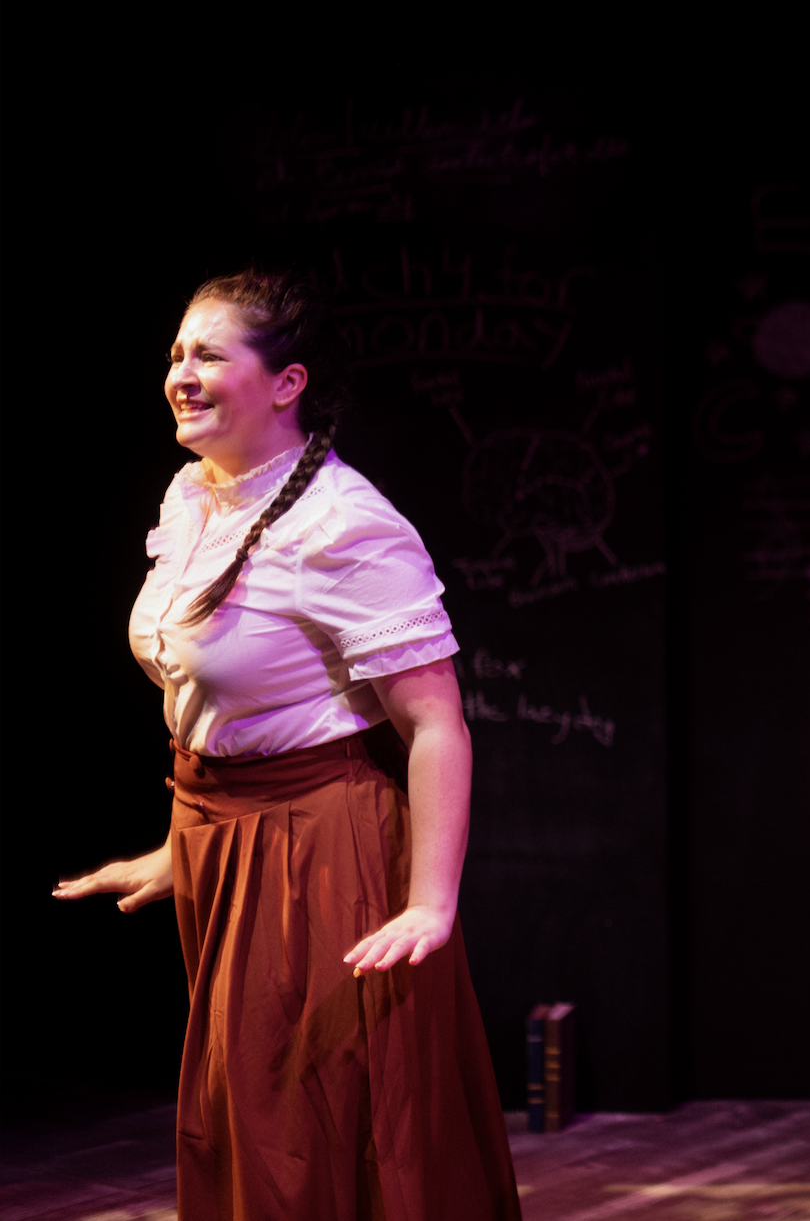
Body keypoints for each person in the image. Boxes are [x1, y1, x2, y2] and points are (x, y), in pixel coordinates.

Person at [54, 269, 521, 1220]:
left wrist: (430, 903)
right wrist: (184, 847)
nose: (181, 374)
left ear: (287, 382)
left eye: (208, 355)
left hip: (321, 854)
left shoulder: (343, 525)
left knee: (312, 1127)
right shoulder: (195, 499)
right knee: (244, 1119)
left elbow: (435, 724)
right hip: (227, 845)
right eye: (176, 354)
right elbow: (215, 704)